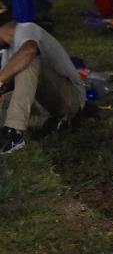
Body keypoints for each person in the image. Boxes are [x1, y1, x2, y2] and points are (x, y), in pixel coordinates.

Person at [0, 16, 86, 153]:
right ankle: (45, 123)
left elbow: (29, 52)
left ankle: (13, 134)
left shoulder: (27, 29)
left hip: (69, 98)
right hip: (37, 103)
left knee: (28, 62)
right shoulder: (6, 52)